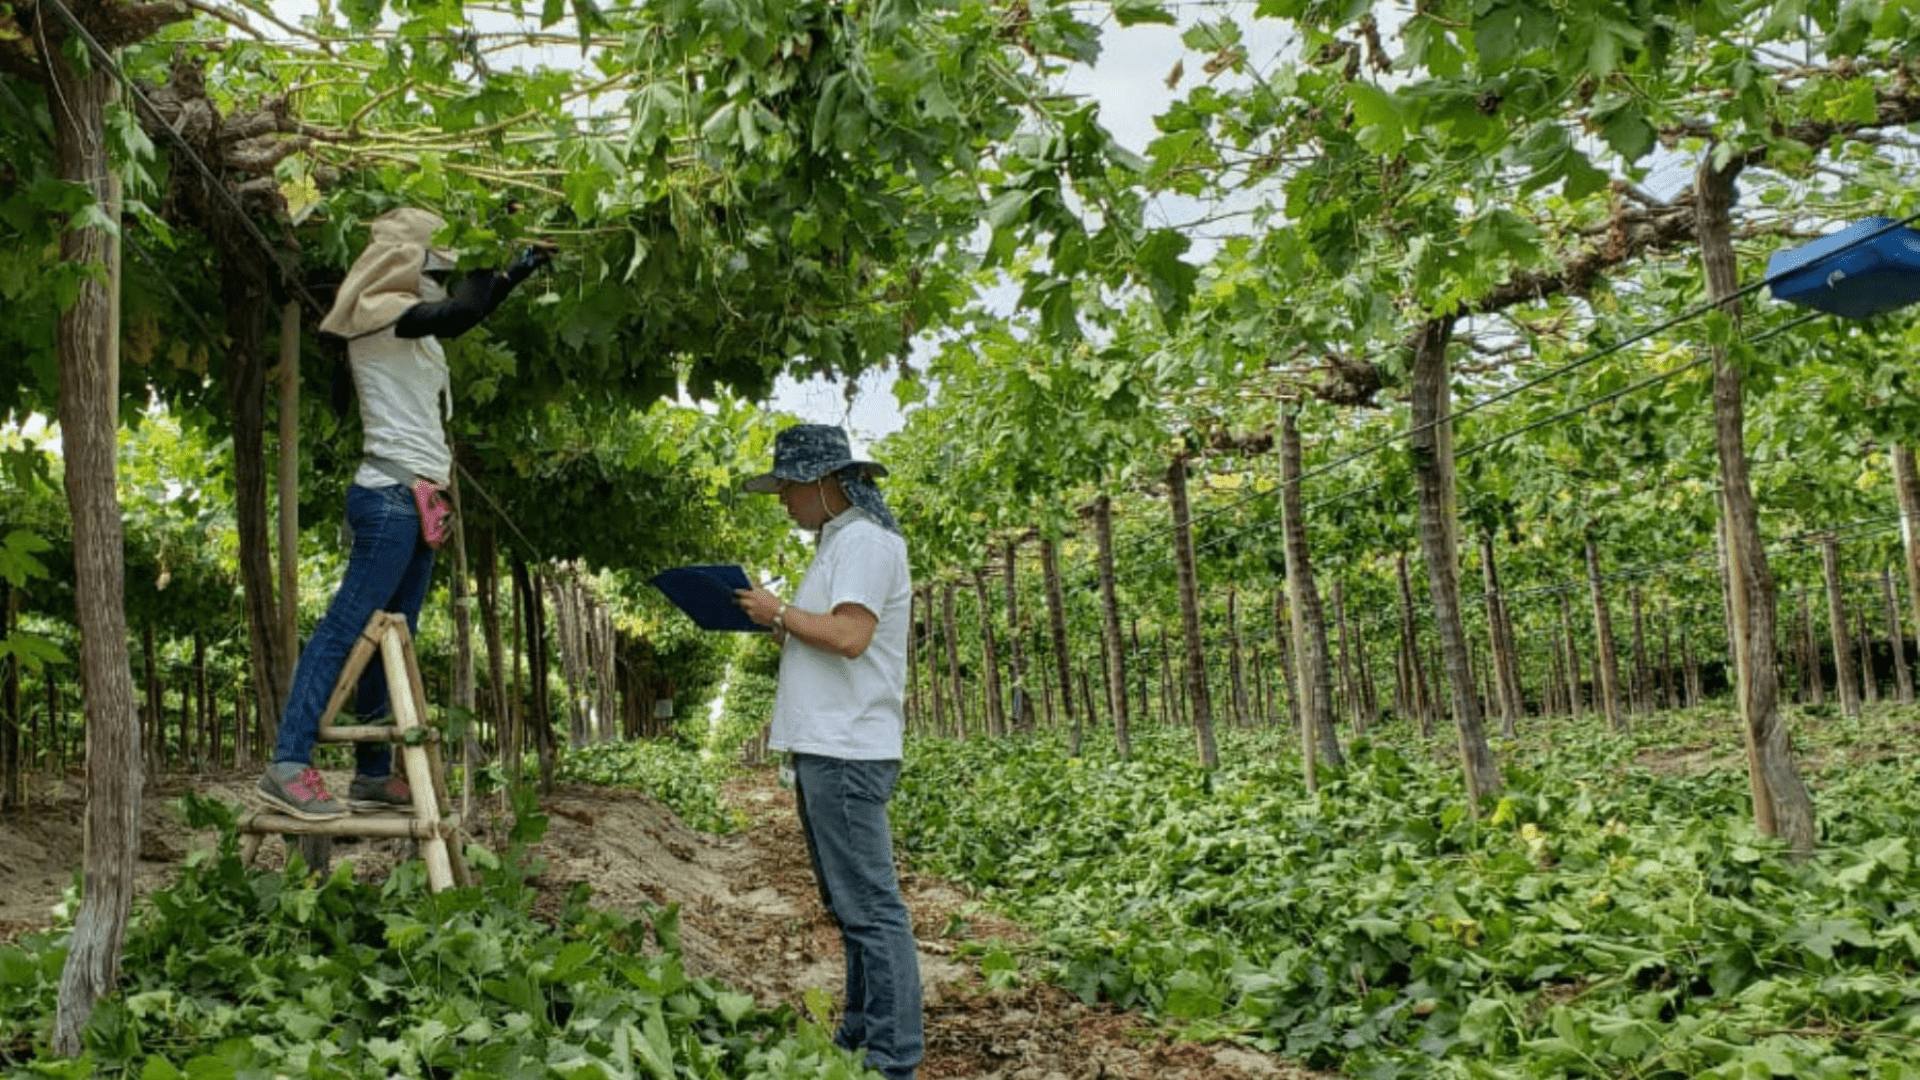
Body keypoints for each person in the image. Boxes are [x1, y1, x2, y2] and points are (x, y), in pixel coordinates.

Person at [256, 207, 549, 821]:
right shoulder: (382, 317)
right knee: (345, 628)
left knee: (388, 637)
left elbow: (451, 314)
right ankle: (287, 762)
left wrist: (502, 270)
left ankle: (369, 778)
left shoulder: (410, 327)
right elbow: (463, 311)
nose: (441, 279)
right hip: (390, 499)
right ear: (406, 266)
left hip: (420, 499)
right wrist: (505, 265)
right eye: (434, 265)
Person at [734, 425, 922, 1080]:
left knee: (872, 911)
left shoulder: (865, 542)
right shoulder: (840, 542)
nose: (782, 499)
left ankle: (893, 1062)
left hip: (845, 751)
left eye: (787, 486)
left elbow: (849, 636)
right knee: (852, 908)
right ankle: (858, 1039)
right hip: (829, 747)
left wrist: (779, 611)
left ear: (822, 482)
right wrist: (775, 620)